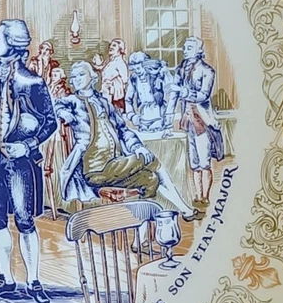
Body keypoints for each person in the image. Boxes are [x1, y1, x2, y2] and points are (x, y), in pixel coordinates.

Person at [0, 19, 57, 303]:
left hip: (20, 163)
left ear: (13, 44)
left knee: (25, 220)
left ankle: (34, 281)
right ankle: (5, 278)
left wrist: (27, 146)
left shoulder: (33, 83)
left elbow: (50, 122)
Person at [55, 61, 197, 219]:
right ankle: (184, 209)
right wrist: (63, 113)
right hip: (96, 169)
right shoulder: (72, 101)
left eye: (81, 74)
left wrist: (137, 147)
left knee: (150, 180)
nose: (77, 79)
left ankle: (141, 231)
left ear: (93, 77)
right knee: (150, 160)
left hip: (115, 165)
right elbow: (56, 105)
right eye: (74, 76)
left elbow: (123, 129)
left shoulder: (103, 102)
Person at [165, 36, 224, 209]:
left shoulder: (207, 71)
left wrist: (182, 90)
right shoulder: (181, 69)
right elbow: (174, 95)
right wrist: (169, 116)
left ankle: (205, 197)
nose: (184, 50)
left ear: (199, 51)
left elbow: (203, 95)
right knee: (194, 163)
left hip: (203, 121)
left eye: (189, 47)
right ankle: (198, 196)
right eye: (184, 47)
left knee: (204, 162)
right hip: (188, 121)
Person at [125, 51, 167, 131]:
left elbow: (168, 95)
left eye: (139, 68)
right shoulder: (134, 79)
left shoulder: (156, 77)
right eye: (134, 69)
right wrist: (131, 115)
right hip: (143, 118)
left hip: (158, 117)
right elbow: (128, 99)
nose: (137, 71)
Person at [101, 38, 129, 111]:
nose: (110, 47)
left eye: (114, 45)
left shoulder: (120, 63)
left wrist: (114, 84)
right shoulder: (111, 62)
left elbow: (125, 80)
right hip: (107, 92)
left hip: (116, 96)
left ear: (120, 49)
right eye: (110, 45)